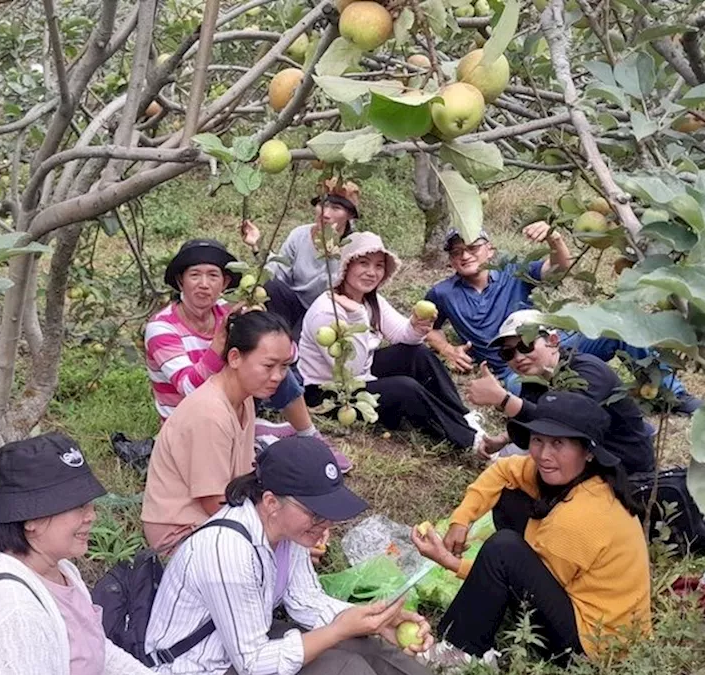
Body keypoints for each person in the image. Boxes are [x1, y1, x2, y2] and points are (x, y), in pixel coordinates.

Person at [143, 436, 499, 675]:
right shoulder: (228, 551)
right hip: (198, 672)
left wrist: (374, 622)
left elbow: (306, 601)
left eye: (328, 515)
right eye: (315, 515)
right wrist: (338, 630)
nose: (324, 526)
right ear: (270, 502)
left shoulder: (288, 533)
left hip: (241, 639)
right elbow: (252, 665)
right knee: (343, 672)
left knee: (364, 644)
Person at [0, 432, 257, 675]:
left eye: (89, 503)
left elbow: (99, 658)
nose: (92, 515)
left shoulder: (59, 570)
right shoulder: (10, 619)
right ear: (30, 520)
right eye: (77, 506)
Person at [412, 392, 652, 665]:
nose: (544, 455)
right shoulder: (578, 477)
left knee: (503, 551)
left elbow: (513, 575)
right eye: (538, 440)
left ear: (587, 452)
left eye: (558, 444)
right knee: (510, 498)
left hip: (594, 646)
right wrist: (461, 519)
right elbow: (503, 470)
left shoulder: (581, 516)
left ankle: (460, 651)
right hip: (589, 610)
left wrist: (450, 562)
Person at [422, 224, 700, 413]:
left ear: (489, 250)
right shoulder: (443, 293)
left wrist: (554, 238)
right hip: (516, 366)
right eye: (456, 252)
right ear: (450, 260)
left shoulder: (513, 271)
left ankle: (668, 393)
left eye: (472, 247)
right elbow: (428, 328)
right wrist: (447, 349)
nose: (465, 255)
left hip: (558, 344)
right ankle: (591, 409)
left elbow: (558, 267)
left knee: (619, 327)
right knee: (525, 393)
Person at [145, 239, 349, 471]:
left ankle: (308, 435)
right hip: (189, 423)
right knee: (263, 472)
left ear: (225, 282)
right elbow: (191, 391)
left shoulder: (229, 310)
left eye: (213, 276)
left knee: (273, 365)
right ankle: (258, 434)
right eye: (195, 275)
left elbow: (289, 355)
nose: (204, 284)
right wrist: (219, 342)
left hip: (232, 408)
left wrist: (264, 328)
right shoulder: (162, 328)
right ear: (181, 281)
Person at [297, 233, 487, 454]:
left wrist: (416, 327)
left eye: (379, 266)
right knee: (404, 389)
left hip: (361, 375)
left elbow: (402, 334)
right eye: (363, 263)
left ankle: (463, 416)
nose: (372, 272)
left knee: (417, 354)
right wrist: (358, 317)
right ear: (346, 266)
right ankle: (470, 441)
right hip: (329, 392)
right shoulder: (328, 311)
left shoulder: (370, 300)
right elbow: (350, 370)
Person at [142, 311, 294, 553]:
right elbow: (214, 502)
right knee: (287, 538)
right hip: (181, 534)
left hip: (216, 518)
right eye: (268, 365)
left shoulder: (244, 398)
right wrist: (277, 526)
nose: (277, 376)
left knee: (295, 533)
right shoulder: (209, 413)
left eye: (284, 366)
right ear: (234, 358)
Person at [464, 309, 656, 474]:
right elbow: (531, 432)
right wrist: (504, 439)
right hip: (584, 460)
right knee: (506, 466)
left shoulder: (587, 371)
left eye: (526, 345)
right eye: (508, 353)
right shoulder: (535, 381)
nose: (518, 357)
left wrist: (504, 400)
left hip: (624, 468)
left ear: (553, 341)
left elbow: (566, 425)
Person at [239, 179, 360, 338]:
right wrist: (256, 245)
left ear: (350, 215)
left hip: (329, 314)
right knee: (270, 285)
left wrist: (331, 251)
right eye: (322, 205)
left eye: (336, 208)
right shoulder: (300, 235)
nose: (325, 213)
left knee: (298, 350)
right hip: (295, 305)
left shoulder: (356, 246)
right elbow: (278, 272)